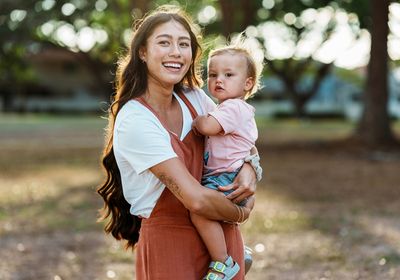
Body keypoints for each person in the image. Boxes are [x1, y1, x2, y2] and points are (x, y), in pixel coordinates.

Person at [97, 5, 260, 280]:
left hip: (221, 243)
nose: (176, 52)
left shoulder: (195, 99)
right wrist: (242, 212)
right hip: (171, 244)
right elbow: (195, 200)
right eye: (164, 42)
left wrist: (251, 167)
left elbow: (239, 137)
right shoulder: (135, 119)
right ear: (143, 52)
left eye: (183, 44)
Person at [190, 36, 264, 280]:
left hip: (226, 177)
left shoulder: (234, 108)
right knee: (214, 217)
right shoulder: (227, 107)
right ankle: (238, 252)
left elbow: (209, 127)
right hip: (226, 174)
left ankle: (224, 262)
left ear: (247, 83)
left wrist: (199, 121)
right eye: (212, 74)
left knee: (200, 212)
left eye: (228, 75)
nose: (218, 79)